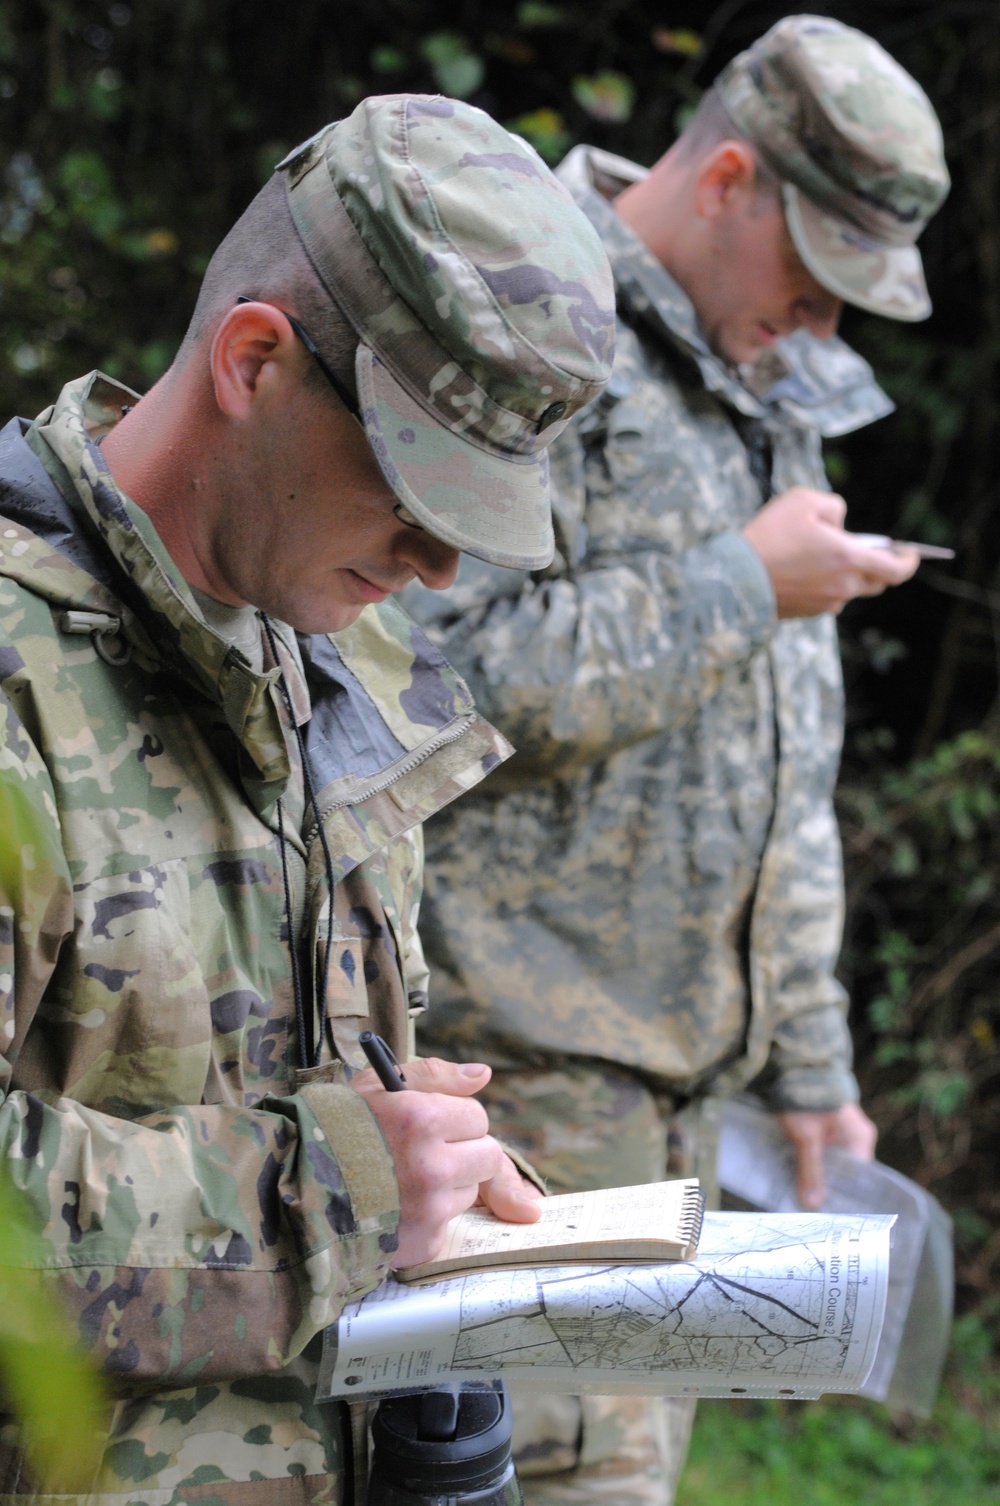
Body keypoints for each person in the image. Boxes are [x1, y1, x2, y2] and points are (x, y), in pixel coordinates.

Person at [0, 94, 616, 1506]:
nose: (441, 562)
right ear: (256, 360)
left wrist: (423, 1160)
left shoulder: (320, 648)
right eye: (413, 483)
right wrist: (334, 1188)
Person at [403, 17, 950, 1505]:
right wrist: (734, 584)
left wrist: (813, 1067)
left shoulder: (770, 393)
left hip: (684, 1111)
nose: (822, 329)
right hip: (517, 1089)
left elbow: (787, 767)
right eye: (814, 282)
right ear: (728, 178)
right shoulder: (523, 309)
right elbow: (428, 684)